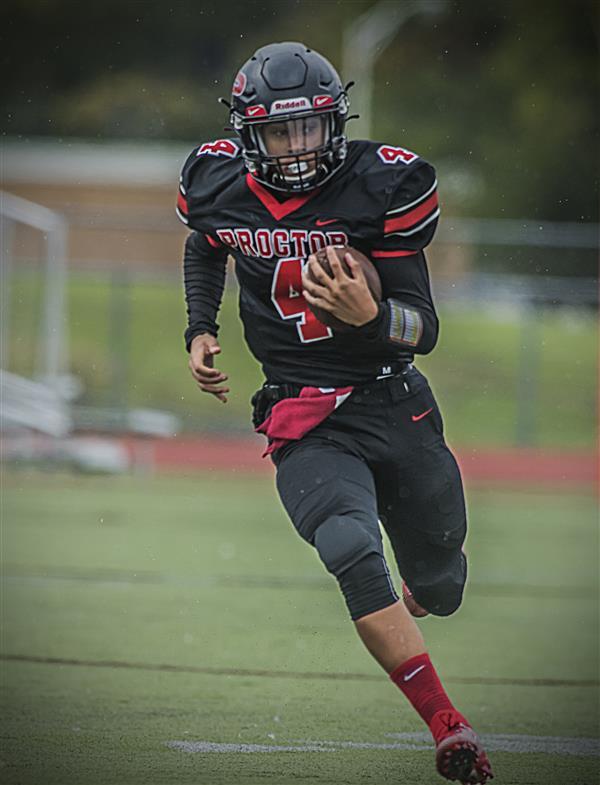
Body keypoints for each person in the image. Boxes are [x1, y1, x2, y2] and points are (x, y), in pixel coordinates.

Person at [177, 41, 493, 784]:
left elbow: (424, 329)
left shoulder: (382, 185)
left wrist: (373, 316)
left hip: (392, 396)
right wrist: (200, 326)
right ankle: (447, 724)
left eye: (310, 128)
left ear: (335, 123)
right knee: (349, 545)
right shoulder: (217, 181)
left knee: (442, 585)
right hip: (302, 409)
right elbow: (206, 243)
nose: (296, 147)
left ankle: (421, 586)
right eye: (279, 131)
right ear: (248, 133)